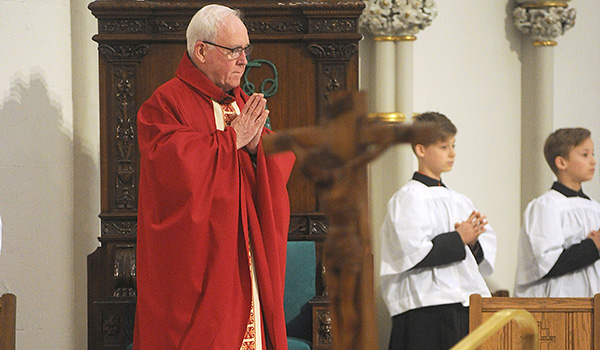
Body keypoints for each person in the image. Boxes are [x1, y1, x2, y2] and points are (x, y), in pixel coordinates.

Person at [133, 4, 295, 350]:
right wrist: (230, 140)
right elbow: (171, 168)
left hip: (243, 259)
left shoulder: (241, 103)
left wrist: (257, 149)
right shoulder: (165, 103)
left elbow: (280, 159)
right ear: (201, 51)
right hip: (201, 261)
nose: (244, 60)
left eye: (246, 50)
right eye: (234, 50)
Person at [379, 112, 497, 350]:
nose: (452, 153)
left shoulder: (460, 200)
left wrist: (473, 243)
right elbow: (410, 253)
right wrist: (459, 238)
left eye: (453, 146)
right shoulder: (408, 198)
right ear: (421, 150)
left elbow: (479, 260)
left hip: (462, 304)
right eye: (444, 146)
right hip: (425, 308)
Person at [515, 128, 600, 297]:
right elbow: (546, 263)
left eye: (593, 154)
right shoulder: (546, 206)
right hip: (558, 303)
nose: (593, 161)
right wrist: (592, 246)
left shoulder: (595, 208)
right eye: (585, 155)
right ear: (561, 163)